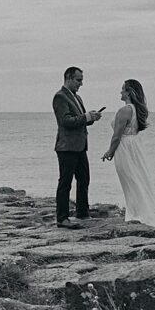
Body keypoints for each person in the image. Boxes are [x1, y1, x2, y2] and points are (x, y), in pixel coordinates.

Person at [100, 78, 155, 233]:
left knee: (131, 181)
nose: (120, 92)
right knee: (137, 179)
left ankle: (139, 214)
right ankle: (137, 212)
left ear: (129, 92)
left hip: (125, 148)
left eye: (123, 89)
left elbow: (117, 136)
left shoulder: (125, 110)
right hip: (134, 146)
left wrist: (109, 151)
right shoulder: (135, 109)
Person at [52, 66, 103, 227]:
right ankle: (62, 218)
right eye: (78, 80)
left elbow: (79, 120)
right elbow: (66, 121)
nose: (81, 83)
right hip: (67, 147)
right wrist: (85, 116)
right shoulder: (60, 97)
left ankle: (82, 213)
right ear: (68, 78)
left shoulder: (77, 97)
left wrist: (91, 118)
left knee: (84, 179)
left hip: (80, 146)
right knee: (65, 182)